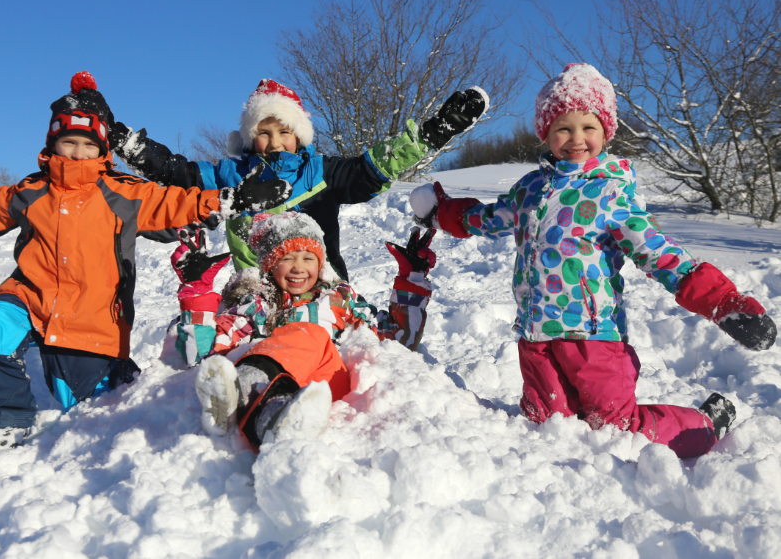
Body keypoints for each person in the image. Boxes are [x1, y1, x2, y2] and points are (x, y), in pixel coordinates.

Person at [409, 63, 777, 459]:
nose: (576, 139)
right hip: (536, 335)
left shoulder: (611, 194)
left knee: (616, 426)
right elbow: (483, 219)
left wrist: (722, 302)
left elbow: (660, 254)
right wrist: (441, 213)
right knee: (544, 422)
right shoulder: (528, 190)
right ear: (545, 133)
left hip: (593, 335)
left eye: (589, 127)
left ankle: (702, 426)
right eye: (563, 128)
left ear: (605, 131)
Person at [0, 71, 292, 452]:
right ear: (52, 143)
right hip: (30, 297)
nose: (78, 153)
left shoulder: (123, 192)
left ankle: (121, 376)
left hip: (91, 318)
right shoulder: (31, 189)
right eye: (68, 142)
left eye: (88, 144)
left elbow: (176, 202)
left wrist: (230, 200)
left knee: (93, 410)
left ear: (102, 148)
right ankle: (6, 421)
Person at [108, 78, 487, 280]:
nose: (274, 142)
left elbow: (371, 169)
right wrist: (134, 148)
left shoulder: (320, 172)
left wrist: (431, 134)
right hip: (256, 300)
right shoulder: (230, 175)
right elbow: (180, 174)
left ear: (299, 135)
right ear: (250, 137)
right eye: (264, 133)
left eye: (284, 132)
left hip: (324, 293)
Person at [164, 212, 436, 447]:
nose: (299, 268)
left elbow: (398, 340)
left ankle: (243, 391)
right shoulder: (257, 305)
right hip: (278, 396)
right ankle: (270, 422)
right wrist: (196, 290)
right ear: (270, 265)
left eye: (308, 258)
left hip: (325, 389)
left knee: (310, 334)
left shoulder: (340, 300)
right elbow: (203, 355)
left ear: (320, 263)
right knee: (293, 349)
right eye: (287, 258)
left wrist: (411, 278)